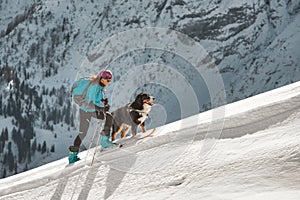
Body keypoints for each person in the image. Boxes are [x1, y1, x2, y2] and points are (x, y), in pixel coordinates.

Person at [68, 69, 116, 163]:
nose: (108, 82)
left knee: (83, 132)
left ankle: (72, 155)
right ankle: (104, 142)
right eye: (107, 79)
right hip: (87, 111)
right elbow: (89, 103)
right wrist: (101, 109)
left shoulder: (99, 86)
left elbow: (95, 100)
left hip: (88, 110)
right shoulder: (94, 86)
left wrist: (103, 102)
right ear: (101, 78)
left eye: (110, 80)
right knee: (107, 117)